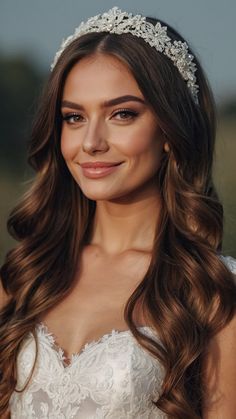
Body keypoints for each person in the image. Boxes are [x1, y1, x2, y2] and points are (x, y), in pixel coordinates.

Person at [0, 6, 236, 418]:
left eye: (121, 114)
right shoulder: (25, 278)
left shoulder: (213, 292)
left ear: (169, 128)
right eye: (73, 118)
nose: (91, 141)